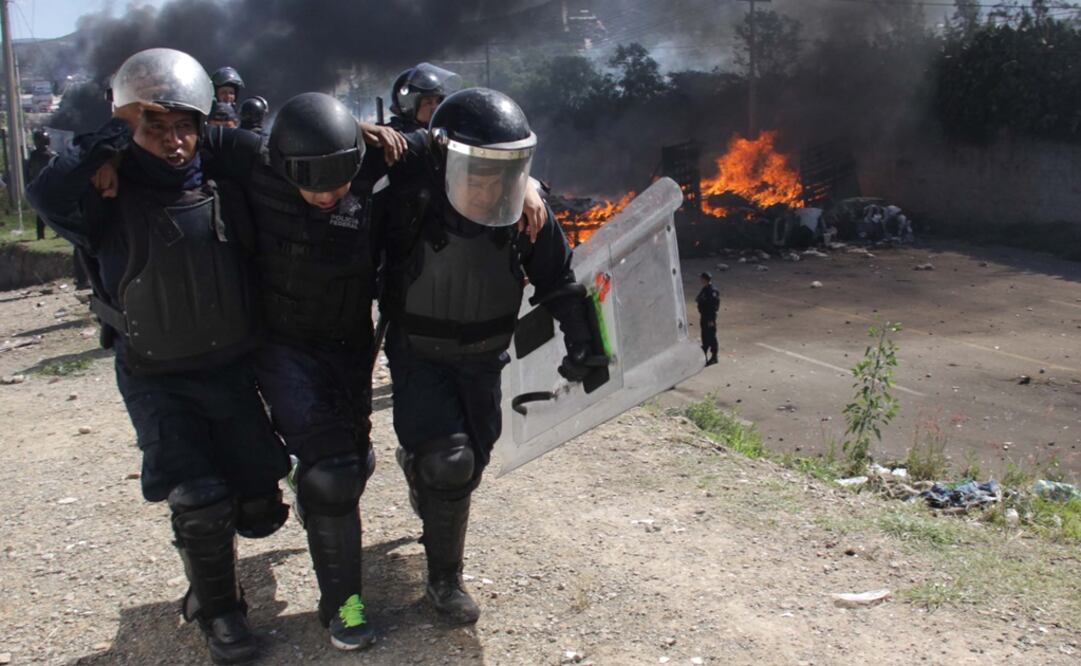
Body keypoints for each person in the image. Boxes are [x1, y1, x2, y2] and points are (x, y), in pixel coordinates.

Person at [27, 48, 289, 665]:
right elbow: (45, 194)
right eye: (155, 128)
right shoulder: (105, 195)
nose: (173, 143)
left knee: (258, 512)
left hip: (229, 369)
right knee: (199, 499)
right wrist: (108, 145)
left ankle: (221, 567)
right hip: (155, 374)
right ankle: (220, 612)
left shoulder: (223, 181)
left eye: (183, 127)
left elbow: (276, 155)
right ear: (129, 127)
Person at [381, 87, 602, 625]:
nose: (489, 183)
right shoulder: (407, 202)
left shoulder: (525, 211)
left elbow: (558, 280)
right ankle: (444, 581)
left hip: (483, 359)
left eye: (505, 168)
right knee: (451, 464)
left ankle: (420, 471)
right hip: (420, 356)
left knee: (470, 464)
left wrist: (584, 345)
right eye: (477, 168)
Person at [387, 62, 461, 132]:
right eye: (428, 102)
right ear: (408, 106)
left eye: (438, 101)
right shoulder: (395, 135)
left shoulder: (442, 130)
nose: (436, 107)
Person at [25, 128, 56, 240]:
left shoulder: (48, 155)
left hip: (44, 186)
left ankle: (42, 235)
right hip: (44, 185)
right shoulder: (46, 156)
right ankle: (41, 234)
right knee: (45, 211)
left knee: (48, 211)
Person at [696, 271, 719, 366]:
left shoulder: (712, 291)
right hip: (704, 316)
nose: (700, 280)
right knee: (704, 335)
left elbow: (713, 307)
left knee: (711, 336)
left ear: (705, 279)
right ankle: (704, 353)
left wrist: (710, 320)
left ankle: (714, 356)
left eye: (701, 278)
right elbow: (699, 299)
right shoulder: (705, 289)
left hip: (709, 318)